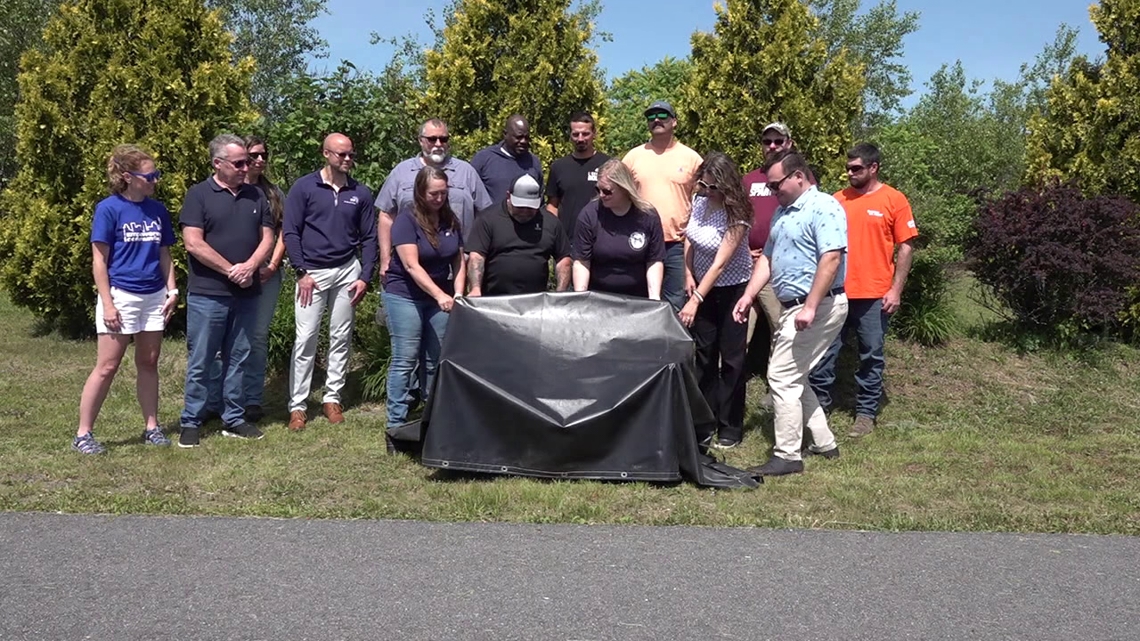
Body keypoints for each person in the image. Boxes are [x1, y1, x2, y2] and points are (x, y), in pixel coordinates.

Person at [731, 151, 848, 476]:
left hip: (819, 305)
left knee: (781, 377)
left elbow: (831, 259)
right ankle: (825, 443)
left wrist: (811, 305)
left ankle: (787, 455)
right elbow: (767, 259)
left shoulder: (823, 207)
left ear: (799, 176)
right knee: (795, 376)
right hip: (794, 306)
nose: (772, 192)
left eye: (776, 185)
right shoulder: (783, 214)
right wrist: (749, 295)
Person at [73, 144, 178, 454]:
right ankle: (83, 434)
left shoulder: (157, 210)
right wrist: (107, 303)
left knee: (149, 362)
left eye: (156, 174)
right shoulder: (109, 208)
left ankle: (151, 427)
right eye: (150, 175)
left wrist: (171, 290)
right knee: (107, 366)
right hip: (121, 295)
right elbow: (99, 261)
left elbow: (164, 253)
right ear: (127, 177)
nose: (155, 180)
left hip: (153, 296)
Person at [809, 142, 918, 437]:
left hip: (874, 295)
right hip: (836, 292)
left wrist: (896, 290)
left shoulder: (894, 199)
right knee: (825, 353)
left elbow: (905, 247)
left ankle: (866, 414)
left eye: (856, 168)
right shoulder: (836, 200)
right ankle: (818, 408)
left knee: (871, 354)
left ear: (873, 167)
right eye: (847, 168)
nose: (849, 173)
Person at [179, 134, 275, 448]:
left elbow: (268, 237)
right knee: (202, 358)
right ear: (217, 164)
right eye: (239, 163)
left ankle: (233, 417)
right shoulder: (198, 195)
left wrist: (250, 267)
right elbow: (193, 243)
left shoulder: (256, 196)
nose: (246, 167)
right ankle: (191, 419)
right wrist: (231, 270)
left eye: (248, 161)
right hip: (209, 293)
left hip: (247, 292)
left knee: (240, 356)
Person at [283, 133, 377, 431]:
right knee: (306, 337)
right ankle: (298, 405)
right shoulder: (304, 187)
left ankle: (331, 396)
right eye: (341, 155)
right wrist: (301, 272)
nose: (347, 159)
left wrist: (365, 277)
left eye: (351, 154)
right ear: (326, 154)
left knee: (341, 335)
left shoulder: (360, 193)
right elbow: (291, 232)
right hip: (312, 273)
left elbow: (370, 237)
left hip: (347, 270)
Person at [205, 135, 286, 424]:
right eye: (253, 155)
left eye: (264, 154)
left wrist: (271, 265)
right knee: (219, 342)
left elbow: (281, 232)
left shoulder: (273, 193)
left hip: (265, 274)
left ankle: (251, 398)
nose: (260, 160)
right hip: (226, 275)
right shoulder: (215, 191)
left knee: (256, 338)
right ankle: (215, 400)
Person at [678, 152, 754, 449]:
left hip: (732, 288)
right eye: (704, 186)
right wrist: (687, 273)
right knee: (705, 355)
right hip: (701, 288)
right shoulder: (699, 202)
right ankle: (704, 420)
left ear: (727, 185)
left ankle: (730, 424)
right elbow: (690, 237)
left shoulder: (738, 213)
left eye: (713, 188)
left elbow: (721, 263)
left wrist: (695, 300)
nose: (707, 192)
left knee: (732, 358)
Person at [383, 166, 466, 430]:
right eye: (434, 194)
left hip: (439, 297)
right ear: (420, 192)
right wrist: (440, 294)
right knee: (405, 358)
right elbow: (411, 266)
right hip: (404, 294)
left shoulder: (450, 219)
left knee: (435, 358)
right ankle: (396, 422)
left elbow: (458, 258)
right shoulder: (406, 221)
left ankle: (433, 417)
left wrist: (459, 292)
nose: (439, 198)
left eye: (444, 193)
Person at [377, 118, 492, 278]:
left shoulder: (466, 172)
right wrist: (385, 259)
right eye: (432, 139)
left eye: (443, 139)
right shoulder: (401, 172)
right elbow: (386, 216)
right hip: (410, 266)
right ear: (420, 141)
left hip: (457, 268)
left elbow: (485, 215)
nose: (438, 144)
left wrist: (475, 255)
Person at [621, 100, 702, 313]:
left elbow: (705, 197)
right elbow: (619, 194)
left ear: (674, 122)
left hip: (676, 245)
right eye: (651, 117)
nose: (656, 120)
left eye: (663, 116)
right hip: (639, 242)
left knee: (675, 305)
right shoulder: (633, 156)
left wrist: (695, 228)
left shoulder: (692, 158)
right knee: (639, 302)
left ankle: (672, 346)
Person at [741, 122, 799, 376]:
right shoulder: (749, 179)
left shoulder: (798, 179)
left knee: (782, 327)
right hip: (747, 266)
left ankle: (778, 382)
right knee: (740, 321)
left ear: (789, 143)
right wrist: (742, 250)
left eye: (778, 140)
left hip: (780, 268)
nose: (772, 146)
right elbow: (736, 219)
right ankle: (729, 382)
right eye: (767, 142)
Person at [572, 158, 665, 300]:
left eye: (607, 191)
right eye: (598, 189)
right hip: (599, 296)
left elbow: (654, 261)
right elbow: (582, 261)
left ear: (624, 188)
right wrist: (581, 297)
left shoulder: (648, 216)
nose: (601, 195)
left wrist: (654, 298)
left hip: (637, 298)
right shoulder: (589, 214)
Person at [467, 175, 571, 296]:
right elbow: (477, 257)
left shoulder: (550, 222)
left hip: (536, 300)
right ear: (508, 196)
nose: (525, 212)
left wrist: (560, 293)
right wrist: (475, 288)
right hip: (494, 300)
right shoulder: (488, 219)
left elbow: (564, 260)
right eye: (520, 207)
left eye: (530, 208)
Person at [546, 111, 610, 242]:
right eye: (575, 134)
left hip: (601, 241)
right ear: (570, 136)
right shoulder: (558, 166)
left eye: (585, 134)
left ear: (594, 134)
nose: (580, 139)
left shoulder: (608, 164)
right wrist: (555, 234)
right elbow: (552, 205)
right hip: (567, 243)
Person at [471, 114, 544, 204]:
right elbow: (471, 194)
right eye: (519, 137)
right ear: (505, 134)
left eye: (527, 137)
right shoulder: (484, 159)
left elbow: (540, 199)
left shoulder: (533, 162)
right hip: (492, 217)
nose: (523, 141)